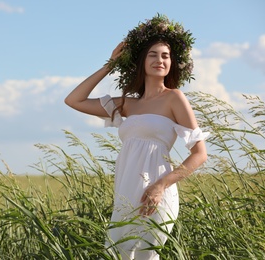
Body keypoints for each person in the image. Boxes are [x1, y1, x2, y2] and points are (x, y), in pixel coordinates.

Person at [64, 14, 209, 260]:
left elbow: (200, 154)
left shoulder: (174, 98)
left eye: (165, 55)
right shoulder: (126, 105)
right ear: (141, 61)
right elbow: (73, 100)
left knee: (145, 256)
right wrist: (110, 64)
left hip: (156, 193)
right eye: (152, 54)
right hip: (125, 191)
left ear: (172, 63)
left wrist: (160, 186)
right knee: (116, 255)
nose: (160, 60)